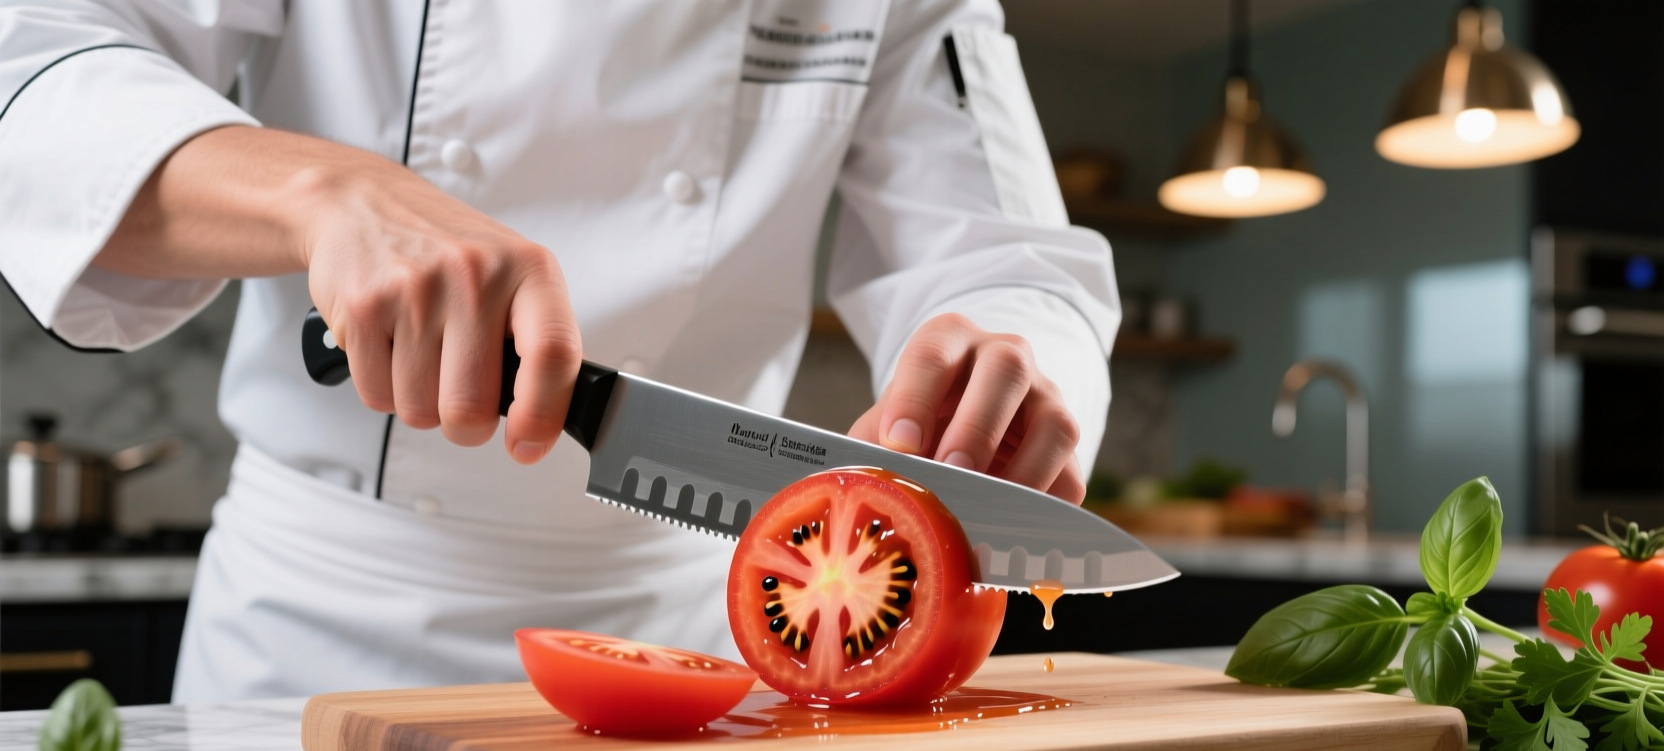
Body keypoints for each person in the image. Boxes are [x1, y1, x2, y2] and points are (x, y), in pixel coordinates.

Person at [0, 0, 1120, 702]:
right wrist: (326, 195)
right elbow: (35, 67)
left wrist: (1015, 356)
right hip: (320, 639)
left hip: (704, 645)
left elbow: (1008, 254)